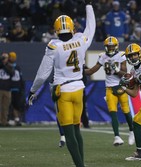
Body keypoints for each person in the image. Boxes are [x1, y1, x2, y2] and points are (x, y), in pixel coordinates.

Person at [27, 1, 95, 167]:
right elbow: (91, 28)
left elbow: (43, 74)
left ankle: (79, 165)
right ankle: (82, 163)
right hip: (79, 88)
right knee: (77, 129)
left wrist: (33, 90)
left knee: (68, 132)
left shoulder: (54, 46)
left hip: (62, 91)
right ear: (71, 27)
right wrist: (88, 6)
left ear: (56, 30)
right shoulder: (80, 40)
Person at [85, 36, 135, 146]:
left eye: (112, 47)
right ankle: (117, 137)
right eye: (109, 47)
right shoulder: (102, 57)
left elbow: (125, 74)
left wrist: (117, 70)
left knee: (126, 111)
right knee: (112, 112)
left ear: (116, 47)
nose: (111, 49)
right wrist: (81, 69)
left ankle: (132, 131)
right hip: (109, 88)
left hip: (121, 87)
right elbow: (92, 71)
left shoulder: (121, 55)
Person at [8, 51, 25, 126]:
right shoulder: (6, 66)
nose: (13, 58)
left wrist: (22, 87)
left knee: (17, 104)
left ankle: (17, 119)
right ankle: (10, 119)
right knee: (9, 104)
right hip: (9, 88)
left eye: (14, 57)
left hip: (17, 89)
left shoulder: (17, 67)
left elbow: (20, 78)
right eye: (12, 57)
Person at [0, 52, 14, 126]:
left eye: (5, 58)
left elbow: (12, 73)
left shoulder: (9, 66)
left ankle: (4, 121)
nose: (4, 59)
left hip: (7, 89)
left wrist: (4, 66)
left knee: (5, 107)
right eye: (3, 57)